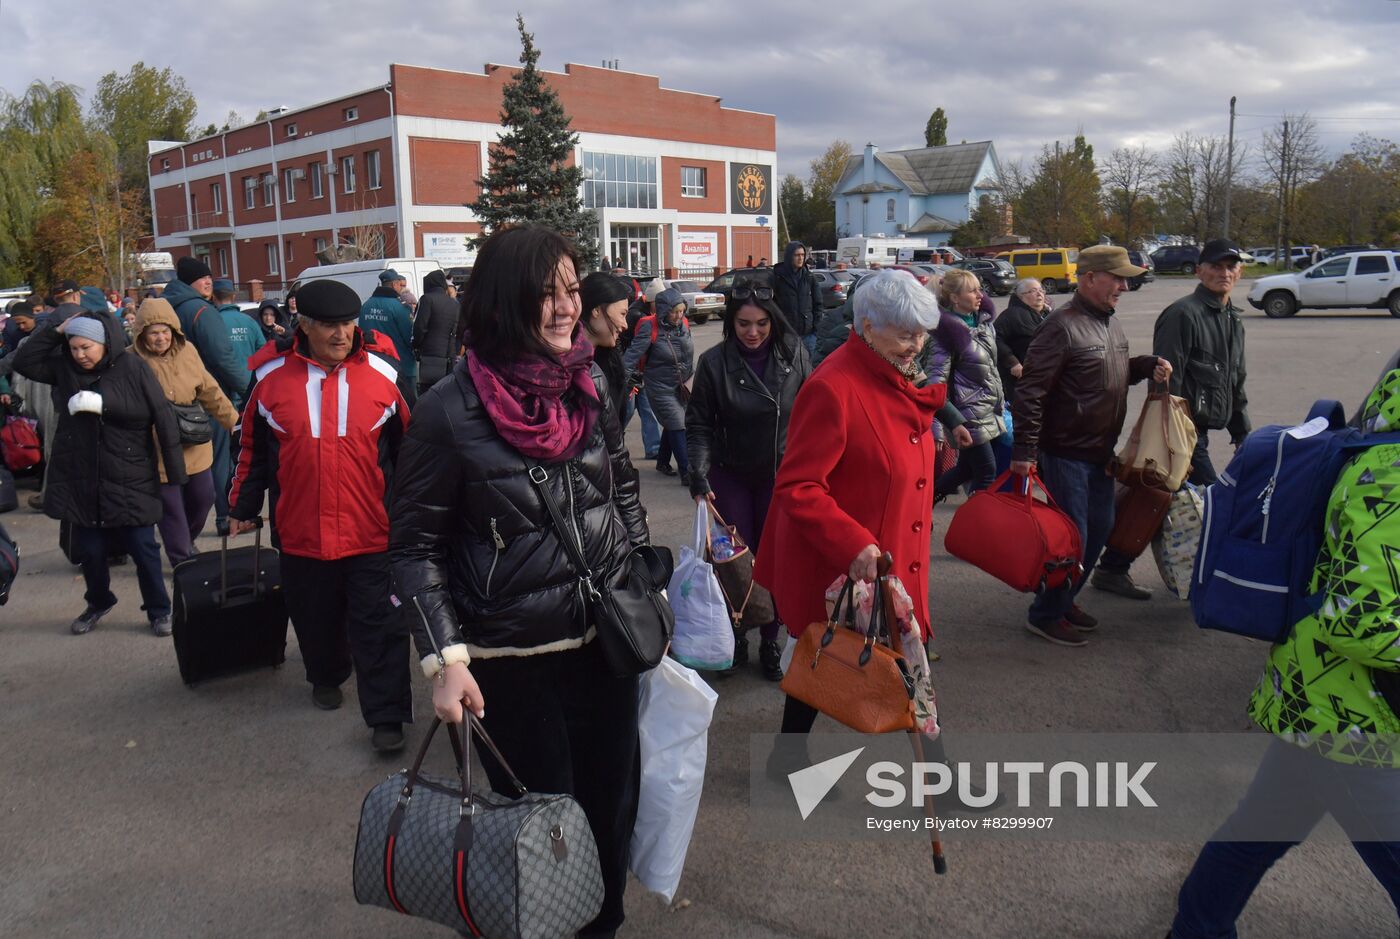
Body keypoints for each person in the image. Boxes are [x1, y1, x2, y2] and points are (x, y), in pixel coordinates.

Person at [389, 224, 649, 939]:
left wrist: (641, 571)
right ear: (505, 300)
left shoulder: (589, 380)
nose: (567, 308)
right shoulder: (448, 410)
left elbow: (621, 483)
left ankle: (602, 925)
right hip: (511, 662)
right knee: (537, 829)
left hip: (604, 643)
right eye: (546, 293)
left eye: (571, 290)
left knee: (609, 808)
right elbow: (412, 548)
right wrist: (445, 660)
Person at [1169, 368, 1400, 939]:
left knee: (1257, 832)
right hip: (1351, 716)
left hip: (1323, 698)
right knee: (1258, 832)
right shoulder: (1390, 474)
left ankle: (1195, 928)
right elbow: (1361, 622)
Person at [755, 270, 944, 756]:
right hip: (848, 562)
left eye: (922, 334)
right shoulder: (833, 386)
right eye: (905, 334)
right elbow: (798, 485)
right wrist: (852, 541)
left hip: (893, 555)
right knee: (843, 656)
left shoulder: (894, 369)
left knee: (827, 658)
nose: (916, 345)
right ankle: (940, 778)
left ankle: (787, 757)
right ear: (867, 326)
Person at [228, 279, 413, 753]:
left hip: (372, 531)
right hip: (300, 533)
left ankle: (387, 714)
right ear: (304, 325)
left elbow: (413, 450)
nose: (341, 334)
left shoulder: (384, 374)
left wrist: (416, 514)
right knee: (316, 618)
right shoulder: (270, 378)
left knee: (380, 626)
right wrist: (242, 507)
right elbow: (250, 448)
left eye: (348, 324)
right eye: (329, 325)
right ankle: (326, 674)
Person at [1009, 245, 1172, 647]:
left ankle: (1064, 600)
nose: (1123, 287)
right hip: (1065, 453)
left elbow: (1108, 371)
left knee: (1099, 529)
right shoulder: (1060, 326)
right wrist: (1024, 452)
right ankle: (1045, 614)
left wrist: (1143, 366)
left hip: (1099, 453)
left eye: (1125, 279)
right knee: (1073, 539)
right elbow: (1030, 392)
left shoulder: (1108, 323)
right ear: (1089, 278)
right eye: (1116, 278)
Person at [1094, 239, 1251, 600]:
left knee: (1157, 499)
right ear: (1199, 271)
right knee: (1209, 504)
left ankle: (1112, 568)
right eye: (1216, 266)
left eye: (1231, 267)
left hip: (1201, 432)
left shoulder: (1232, 318)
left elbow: (1235, 379)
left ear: (1240, 272)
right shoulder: (1183, 314)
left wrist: (1242, 432)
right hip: (1183, 432)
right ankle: (1211, 581)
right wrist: (1172, 435)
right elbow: (1165, 376)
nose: (1224, 273)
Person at [11, 312, 185, 635]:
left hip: (128, 474)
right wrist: (56, 330)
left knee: (144, 549)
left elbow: (156, 413)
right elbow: (23, 362)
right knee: (89, 552)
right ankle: (99, 601)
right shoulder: (64, 367)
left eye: (86, 347)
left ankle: (159, 610)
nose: (80, 355)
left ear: (104, 343)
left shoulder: (132, 367)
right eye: (74, 347)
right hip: (82, 475)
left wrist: (103, 405)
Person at [686, 276, 812, 679]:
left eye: (761, 323)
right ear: (731, 323)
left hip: (781, 475)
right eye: (743, 324)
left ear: (773, 320)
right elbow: (699, 425)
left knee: (775, 560)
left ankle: (771, 640)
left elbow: (816, 412)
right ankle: (736, 634)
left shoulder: (794, 353)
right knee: (735, 561)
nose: (753, 332)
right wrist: (698, 474)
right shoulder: (714, 362)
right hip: (731, 475)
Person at [132, 298, 239, 566]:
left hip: (193, 439)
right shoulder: (130, 359)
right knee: (171, 508)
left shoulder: (188, 350)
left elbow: (209, 389)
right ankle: (181, 559)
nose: (161, 338)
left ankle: (185, 540)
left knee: (203, 497)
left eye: (165, 331)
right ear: (142, 334)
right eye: (154, 333)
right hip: (156, 445)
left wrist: (234, 422)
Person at [929, 269, 1005, 500]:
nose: (980, 295)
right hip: (967, 415)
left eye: (980, 289)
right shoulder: (946, 333)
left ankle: (922, 504)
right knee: (986, 471)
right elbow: (935, 381)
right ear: (955, 298)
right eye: (972, 291)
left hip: (989, 409)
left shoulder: (984, 324)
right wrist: (938, 425)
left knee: (966, 469)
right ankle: (980, 521)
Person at [622, 286, 695, 484]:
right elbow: (631, 357)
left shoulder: (684, 324)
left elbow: (688, 356)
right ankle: (687, 472)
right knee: (678, 424)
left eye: (682, 311)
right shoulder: (649, 327)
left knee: (675, 422)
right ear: (664, 311)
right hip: (659, 386)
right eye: (675, 312)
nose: (679, 316)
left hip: (683, 385)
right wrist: (620, 383)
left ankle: (662, 461)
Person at [210, 279, 257, 536]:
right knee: (248, 459)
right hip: (249, 398)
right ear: (234, 296)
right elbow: (263, 353)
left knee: (223, 462)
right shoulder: (249, 323)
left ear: (214, 297)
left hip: (220, 402)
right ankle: (245, 515)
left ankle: (224, 517)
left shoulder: (213, 323)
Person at [359, 268, 417, 405]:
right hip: (400, 365)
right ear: (393, 284)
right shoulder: (399, 308)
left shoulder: (366, 306)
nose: (401, 288)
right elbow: (410, 337)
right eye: (400, 284)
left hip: (372, 365)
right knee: (408, 405)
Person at [578, 271, 632, 411]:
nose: (625, 325)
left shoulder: (611, 362)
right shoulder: (564, 367)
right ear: (596, 310)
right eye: (622, 314)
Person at [994, 278, 1051, 407]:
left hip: (1046, 378)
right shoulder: (1011, 315)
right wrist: (1012, 362)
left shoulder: (1048, 314)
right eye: (1033, 291)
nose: (1039, 294)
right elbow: (995, 338)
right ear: (1021, 296)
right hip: (1022, 380)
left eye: (1041, 290)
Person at [411, 269, 460, 397]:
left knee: (427, 395)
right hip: (449, 356)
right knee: (445, 394)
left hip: (429, 356)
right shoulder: (454, 303)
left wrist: (415, 345)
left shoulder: (427, 299)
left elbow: (420, 327)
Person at [772, 241, 823, 358]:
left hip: (808, 334)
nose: (800, 258)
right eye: (797, 255)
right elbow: (772, 305)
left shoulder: (809, 277)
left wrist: (816, 329)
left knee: (811, 365)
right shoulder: (777, 277)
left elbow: (818, 304)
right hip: (786, 334)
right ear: (789, 256)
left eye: (802, 255)